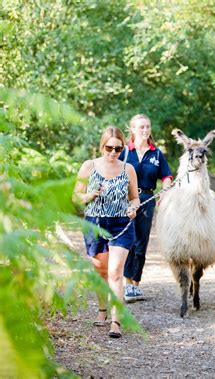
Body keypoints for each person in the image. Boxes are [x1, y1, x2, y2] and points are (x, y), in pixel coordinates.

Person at [73, 126, 140, 338]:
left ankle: (116, 321)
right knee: (101, 273)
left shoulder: (127, 169)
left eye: (118, 149)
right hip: (94, 224)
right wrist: (90, 195)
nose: (113, 152)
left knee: (115, 272)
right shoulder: (89, 166)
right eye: (109, 147)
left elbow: (134, 198)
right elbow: (76, 196)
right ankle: (102, 310)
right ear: (102, 145)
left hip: (121, 225)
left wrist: (133, 208)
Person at [119, 114, 172, 303]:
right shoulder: (124, 152)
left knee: (142, 242)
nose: (145, 130)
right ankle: (126, 283)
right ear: (132, 129)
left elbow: (166, 176)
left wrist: (164, 192)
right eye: (141, 127)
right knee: (128, 240)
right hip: (125, 200)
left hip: (147, 199)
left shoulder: (156, 154)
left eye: (147, 127)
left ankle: (136, 285)